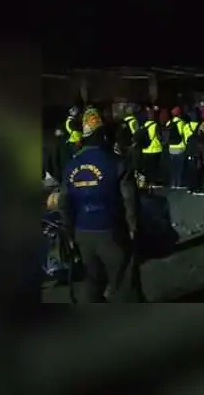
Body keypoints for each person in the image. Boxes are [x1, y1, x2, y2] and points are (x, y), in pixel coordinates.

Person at [57, 108, 141, 302]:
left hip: (82, 233)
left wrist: (69, 232)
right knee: (124, 284)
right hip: (111, 232)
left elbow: (64, 202)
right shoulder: (117, 162)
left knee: (93, 282)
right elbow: (129, 200)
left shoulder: (71, 164)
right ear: (103, 134)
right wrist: (133, 229)